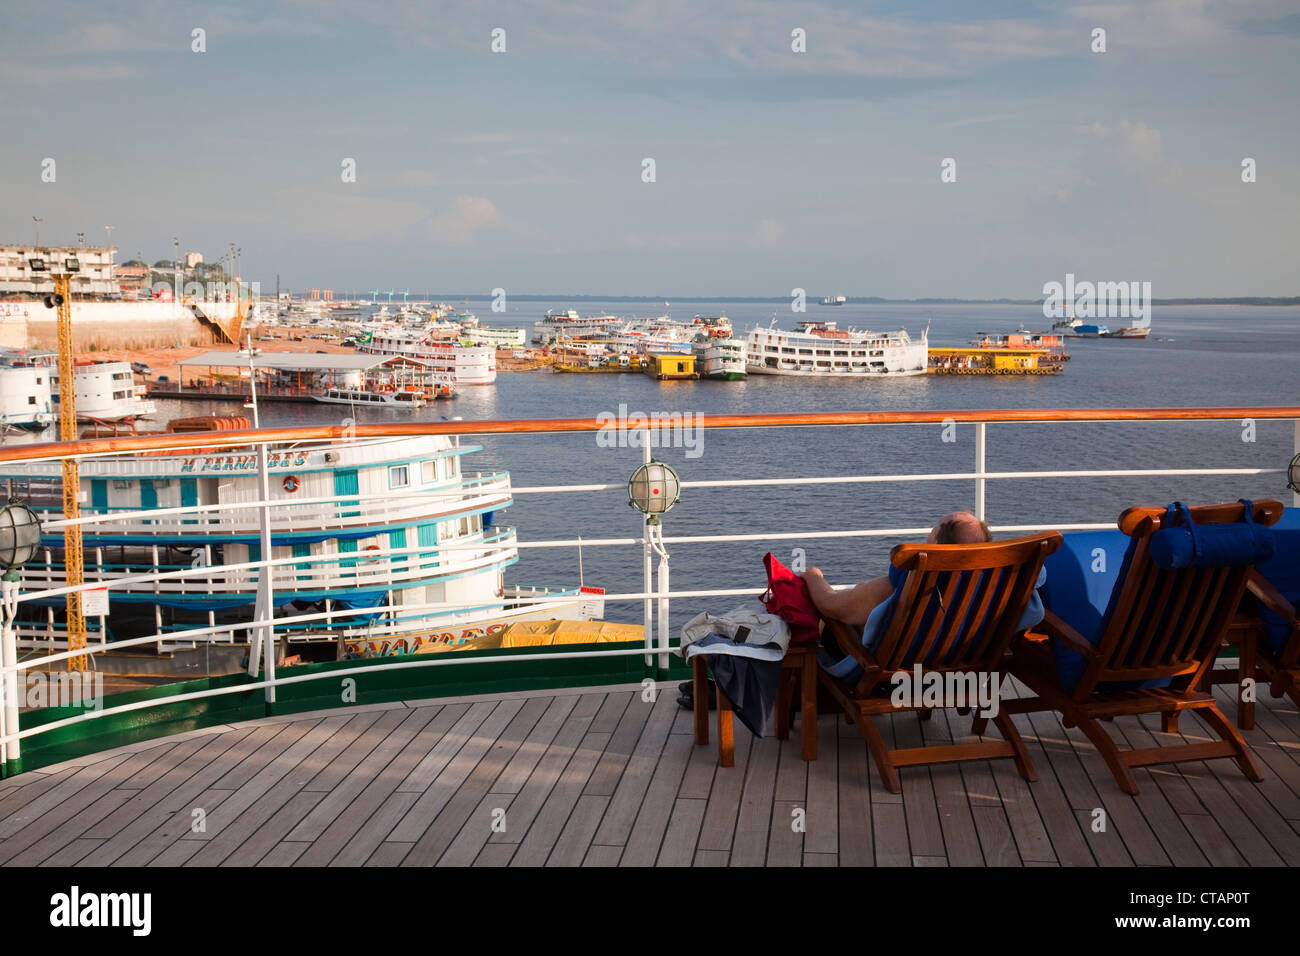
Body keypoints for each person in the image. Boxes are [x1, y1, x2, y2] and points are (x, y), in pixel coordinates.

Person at [801, 511, 1046, 681]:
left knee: (830, 623)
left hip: (895, 676)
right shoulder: (1007, 582)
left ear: (937, 546)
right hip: (963, 675)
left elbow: (832, 606)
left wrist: (812, 576)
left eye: (932, 532)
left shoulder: (912, 578)